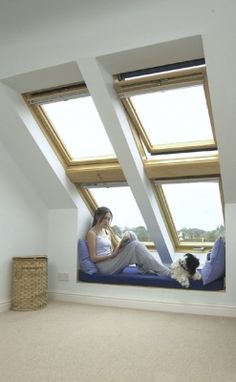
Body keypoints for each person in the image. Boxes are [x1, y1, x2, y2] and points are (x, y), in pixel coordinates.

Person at [86, 206, 170, 276]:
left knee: (130, 234)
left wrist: (118, 248)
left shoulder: (107, 232)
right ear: (98, 217)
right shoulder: (92, 233)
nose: (107, 221)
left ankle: (144, 268)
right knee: (136, 244)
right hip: (104, 267)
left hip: (111, 261)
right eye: (105, 218)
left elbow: (110, 251)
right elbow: (93, 258)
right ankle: (165, 272)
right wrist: (111, 256)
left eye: (109, 219)